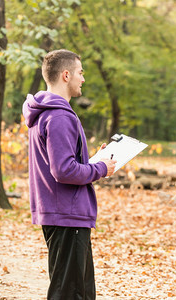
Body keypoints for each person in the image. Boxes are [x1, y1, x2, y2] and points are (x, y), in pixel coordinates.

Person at [22, 49, 116, 299]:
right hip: (67, 215)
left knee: (80, 292)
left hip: (63, 214)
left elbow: (63, 162)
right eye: (80, 72)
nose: (83, 79)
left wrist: (93, 160)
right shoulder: (60, 116)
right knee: (69, 293)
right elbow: (63, 170)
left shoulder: (44, 113)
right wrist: (101, 168)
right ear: (66, 75)